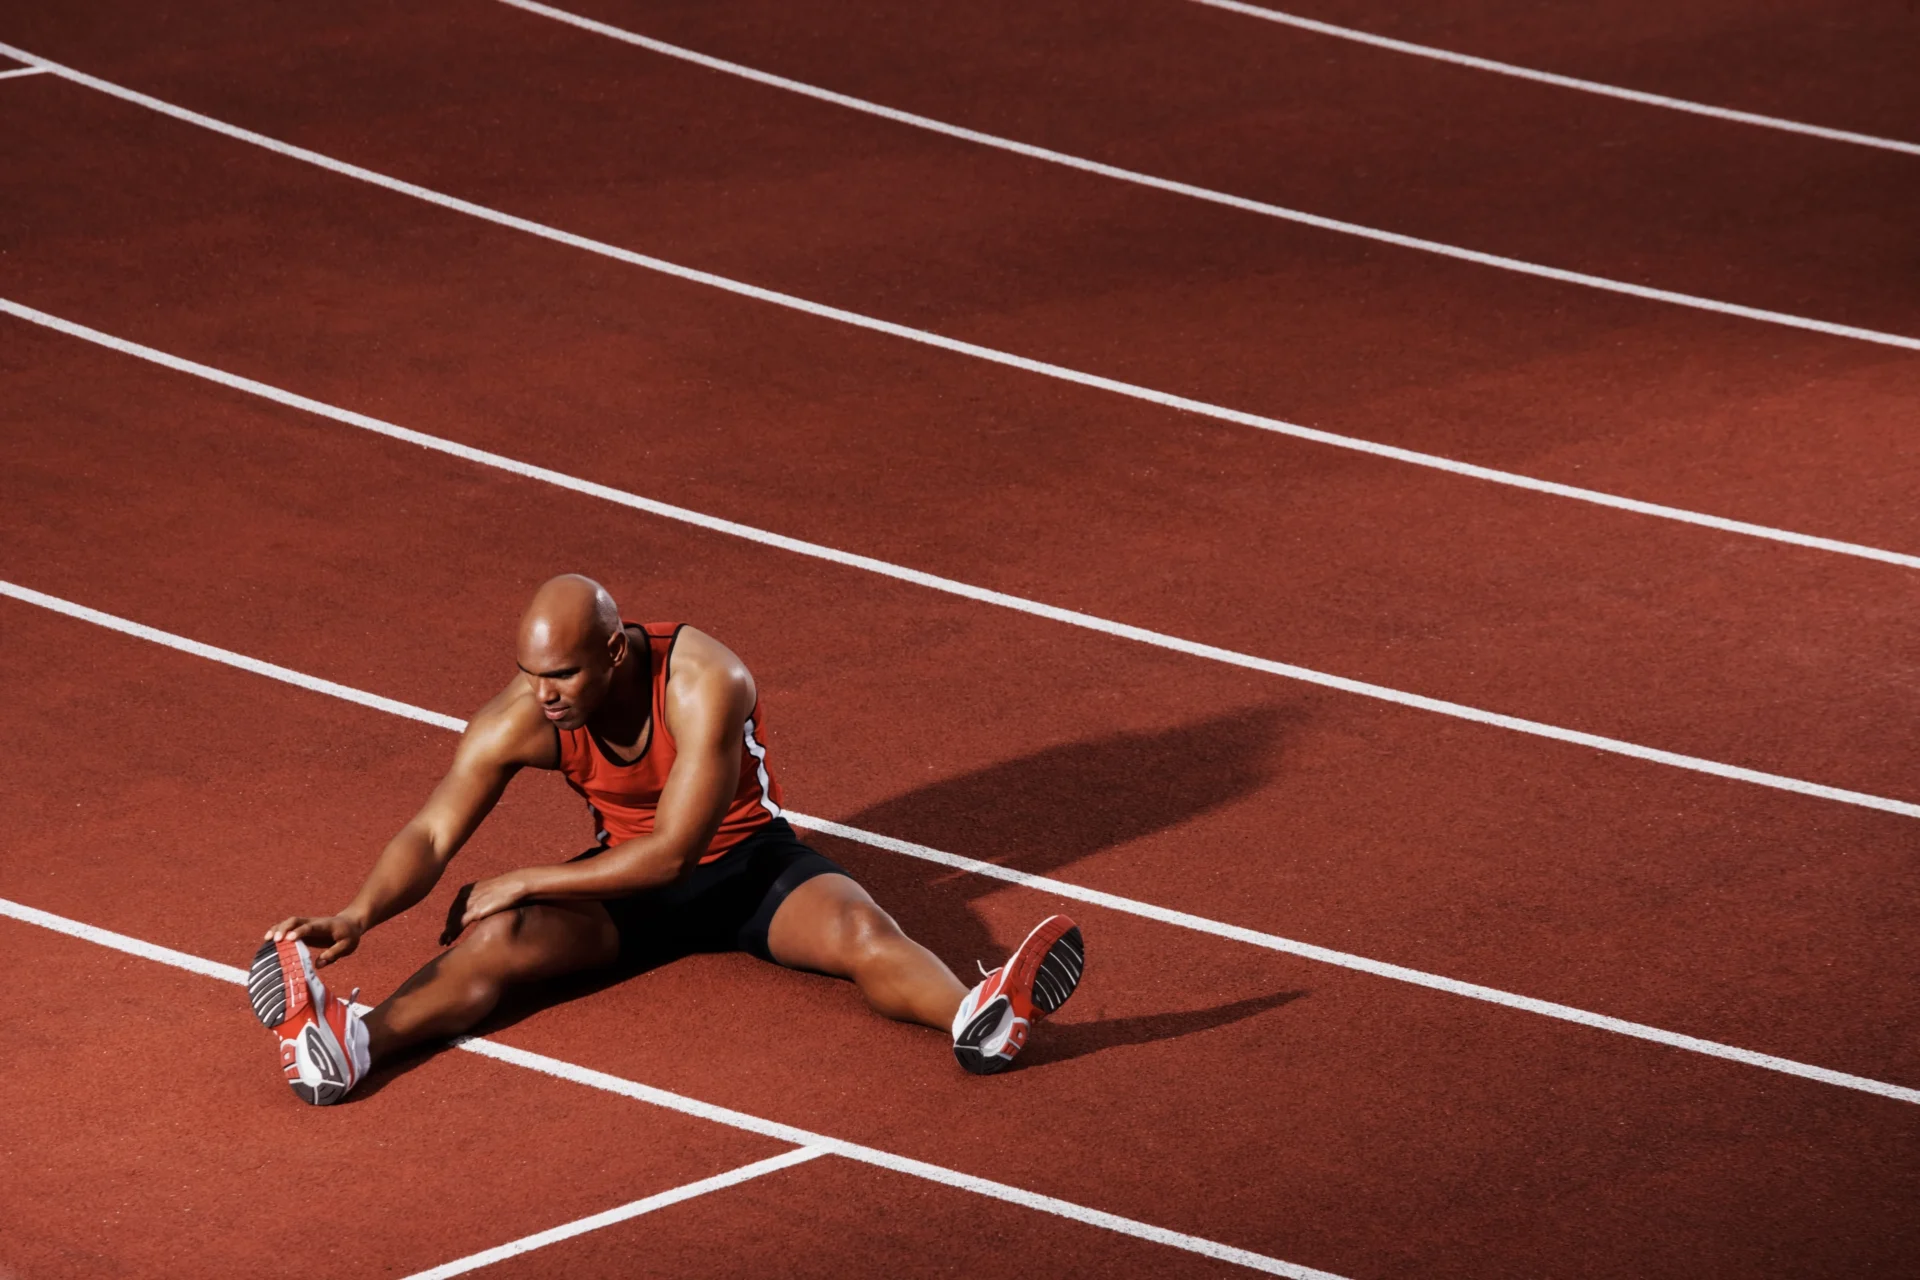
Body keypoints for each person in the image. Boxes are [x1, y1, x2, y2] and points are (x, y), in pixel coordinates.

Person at [248, 574, 1083, 1104]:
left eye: (563, 676)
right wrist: (358, 915)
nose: (541, 696)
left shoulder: (706, 680)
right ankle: (352, 1047)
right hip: (629, 887)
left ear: (614, 654)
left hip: (748, 866)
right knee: (494, 944)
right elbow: (432, 833)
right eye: (531, 674)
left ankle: (977, 1015)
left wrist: (528, 877)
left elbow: (680, 851)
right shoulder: (523, 713)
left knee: (864, 933)